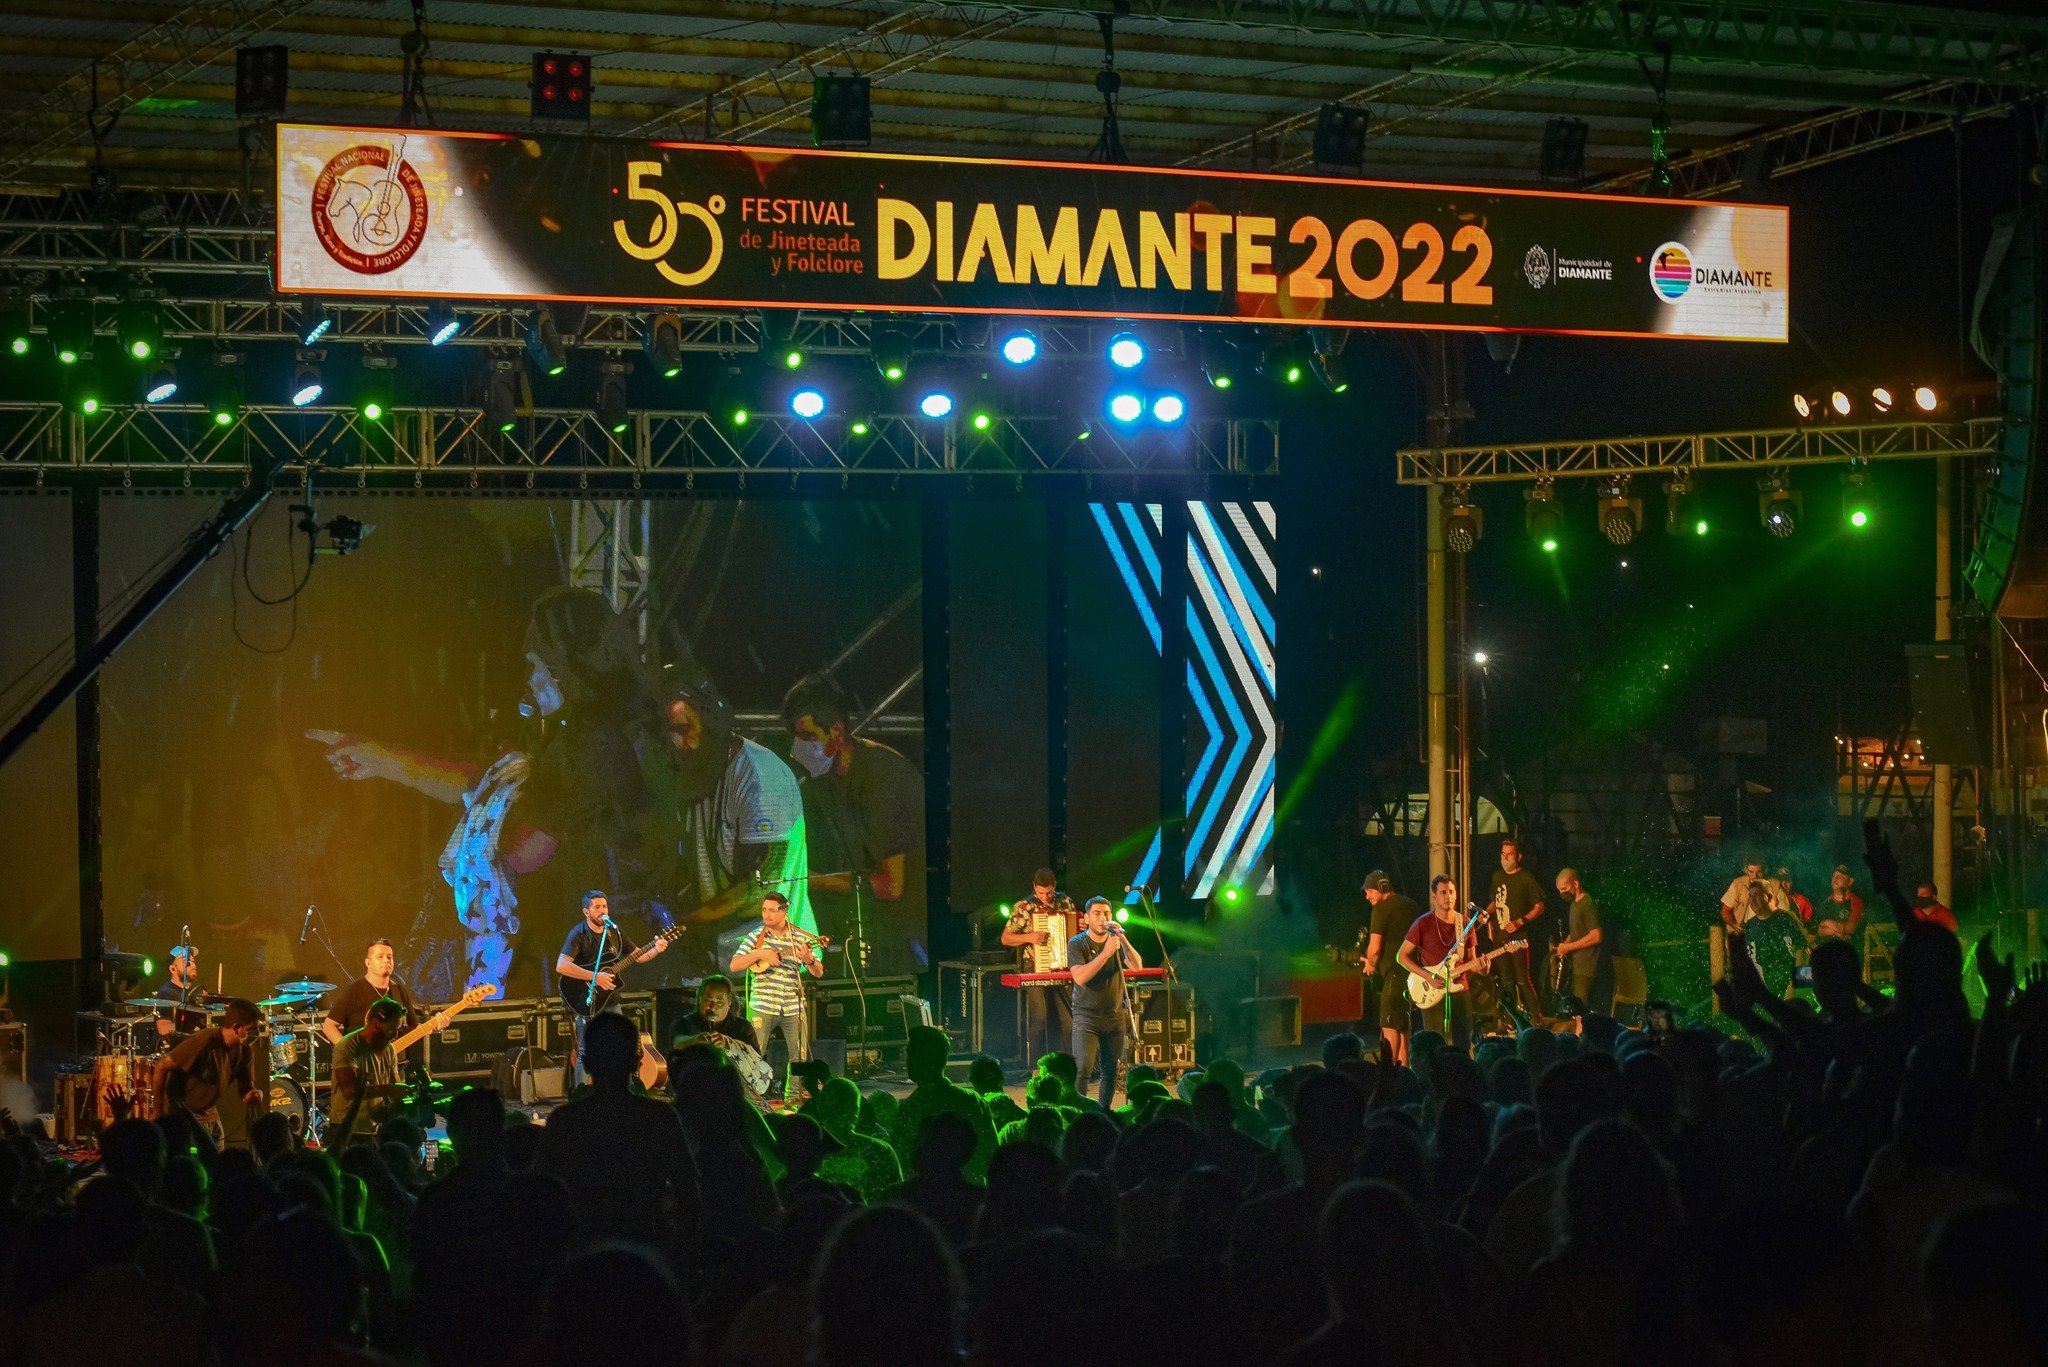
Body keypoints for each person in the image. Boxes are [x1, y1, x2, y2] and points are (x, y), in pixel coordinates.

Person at [647, 646, 814, 976]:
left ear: (713, 721)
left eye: (684, 729)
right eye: (670, 733)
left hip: (776, 965)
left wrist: (686, 921)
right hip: (721, 962)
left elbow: (761, 889)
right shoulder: (690, 777)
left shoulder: (760, 777)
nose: (678, 744)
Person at [782, 673, 926, 974]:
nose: (799, 747)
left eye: (808, 736)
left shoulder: (880, 778)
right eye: (796, 738)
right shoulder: (825, 781)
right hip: (883, 932)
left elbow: (891, 885)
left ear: (836, 731)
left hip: (915, 937)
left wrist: (809, 880)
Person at [536, 1010, 699, 1245]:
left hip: (583, 1246)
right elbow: (689, 1193)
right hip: (646, 1244)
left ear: (586, 1063)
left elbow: (539, 1193)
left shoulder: (563, 1121)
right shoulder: (660, 1118)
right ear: (637, 1062)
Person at [556, 889, 667, 1075]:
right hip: (586, 999)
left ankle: (617, 1087)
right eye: (597, 907)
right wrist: (595, 977)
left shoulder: (614, 932)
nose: (603, 911)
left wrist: (656, 949)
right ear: (586, 912)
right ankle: (581, 1091)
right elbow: (561, 965)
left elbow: (639, 956)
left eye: (605, 906)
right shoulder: (579, 933)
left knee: (619, 1047)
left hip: (610, 1000)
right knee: (585, 1052)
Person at [730, 890, 824, 1098]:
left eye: (772, 910)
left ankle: (794, 1097)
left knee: (799, 1057)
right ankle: (752, 1098)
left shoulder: (799, 937)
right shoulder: (756, 936)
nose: (767, 914)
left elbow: (818, 972)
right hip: (762, 1005)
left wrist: (808, 959)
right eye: (764, 910)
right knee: (754, 1054)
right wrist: (760, 953)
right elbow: (735, 964)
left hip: (793, 1005)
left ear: (784, 912)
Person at [150, 996, 263, 1145]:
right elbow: (162, 1066)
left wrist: (252, 1094)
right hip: (184, 1113)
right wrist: (157, 1111)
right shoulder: (204, 1040)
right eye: (251, 1030)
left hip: (209, 1114)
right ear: (236, 1028)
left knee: (218, 1156)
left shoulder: (246, 1051)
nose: (256, 1034)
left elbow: (245, 1089)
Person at [1069, 895, 1143, 1107]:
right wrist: (1105, 954)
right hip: (1086, 1016)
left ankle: (1104, 1112)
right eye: (1097, 914)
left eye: (1106, 914)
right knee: (1083, 1068)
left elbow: (1137, 966)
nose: (1103, 918)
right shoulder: (1077, 943)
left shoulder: (1115, 942)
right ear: (1087, 918)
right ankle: (1080, 1113)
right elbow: (1080, 977)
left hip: (1114, 1015)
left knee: (1110, 1070)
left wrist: (1122, 938)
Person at [1002, 866, 1078, 1063]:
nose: (1045, 897)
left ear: (1055, 886)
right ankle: (1036, 1066)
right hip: (1034, 965)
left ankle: (1070, 1063)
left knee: (1069, 1019)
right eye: (1041, 893)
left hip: (1062, 965)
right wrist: (1030, 937)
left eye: (1049, 893)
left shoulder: (1065, 902)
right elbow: (1006, 938)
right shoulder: (1024, 907)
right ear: (1034, 887)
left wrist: (1081, 927)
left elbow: (1074, 931)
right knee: (1040, 1018)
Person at [1395, 875, 1478, 1052]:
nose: (1449, 896)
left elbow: (1472, 960)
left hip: (1460, 990)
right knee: (1435, 1044)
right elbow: (1401, 956)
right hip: (1432, 990)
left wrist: (1482, 969)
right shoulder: (1423, 923)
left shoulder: (1464, 923)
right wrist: (1427, 976)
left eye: (1452, 892)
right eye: (1443, 892)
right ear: (1434, 896)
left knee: (1463, 1043)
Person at [1356, 871, 1419, 1064]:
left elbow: (1375, 949)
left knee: (1389, 1025)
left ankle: (1389, 1071)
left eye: (1369, 891)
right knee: (1403, 1026)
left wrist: (1370, 963)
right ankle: (1405, 1071)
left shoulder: (1380, 909)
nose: (1367, 896)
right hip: (1413, 974)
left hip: (1393, 974)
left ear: (1382, 887)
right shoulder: (1411, 905)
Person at [1488, 837, 1552, 1022]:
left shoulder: (1526, 878)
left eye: (1510, 855)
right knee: (1506, 979)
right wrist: (1485, 914)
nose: (1505, 858)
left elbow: (1539, 906)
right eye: (1503, 854)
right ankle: (1510, 1019)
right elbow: (1495, 902)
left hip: (1518, 938)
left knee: (1522, 980)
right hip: (1499, 936)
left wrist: (1520, 921)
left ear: (1518, 856)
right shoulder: (1497, 876)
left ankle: (1536, 1018)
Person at [330, 996, 407, 1149]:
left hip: (374, 1127)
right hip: (347, 1128)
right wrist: (390, 1089)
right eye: (392, 1029)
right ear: (376, 1024)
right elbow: (350, 1091)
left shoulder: (389, 1049)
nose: (395, 1035)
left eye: (398, 1030)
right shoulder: (348, 1046)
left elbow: (394, 1086)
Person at [321, 937, 419, 1049]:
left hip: (394, 1058)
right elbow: (329, 1026)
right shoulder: (354, 991)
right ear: (368, 963)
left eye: (389, 957)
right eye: (380, 956)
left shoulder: (399, 991)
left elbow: (413, 1027)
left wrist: (431, 1026)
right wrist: (348, 1050)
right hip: (362, 1058)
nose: (386, 960)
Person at [1553, 868, 1608, 1016]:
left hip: (1588, 965)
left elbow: (1596, 935)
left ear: (1576, 884)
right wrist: (1563, 946)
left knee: (1581, 1012)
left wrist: (1569, 947)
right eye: (1559, 890)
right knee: (1577, 1009)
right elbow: (1576, 932)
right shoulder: (1574, 905)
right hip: (1578, 965)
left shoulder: (1587, 903)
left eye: (1564, 889)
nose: (1562, 893)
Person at [150, 944, 212, 1040]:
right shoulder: (166, 993)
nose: (193, 965)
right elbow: (163, 1028)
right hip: (174, 1046)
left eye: (193, 961)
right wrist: (192, 1025)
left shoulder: (197, 991)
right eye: (186, 962)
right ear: (173, 969)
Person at [1816, 864, 1865, 940]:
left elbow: (1851, 928)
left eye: (1840, 877)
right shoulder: (1826, 902)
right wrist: (1837, 933)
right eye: (1834, 876)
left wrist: (1826, 922)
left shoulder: (1855, 901)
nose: (1835, 879)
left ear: (1850, 881)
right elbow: (1820, 930)